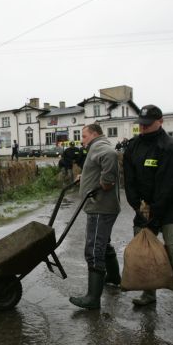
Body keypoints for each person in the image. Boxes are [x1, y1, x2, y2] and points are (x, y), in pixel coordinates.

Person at [123, 104, 173, 325]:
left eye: (148, 125)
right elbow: (129, 180)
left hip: (172, 208)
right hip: (145, 207)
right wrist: (137, 205)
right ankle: (149, 294)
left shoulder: (171, 148)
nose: (143, 128)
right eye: (141, 125)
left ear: (160, 121)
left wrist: (154, 210)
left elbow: (168, 184)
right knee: (144, 254)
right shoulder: (133, 147)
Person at [69, 123, 120, 309]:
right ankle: (114, 277)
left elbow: (111, 156)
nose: (81, 140)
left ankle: (92, 298)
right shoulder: (96, 146)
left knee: (94, 249)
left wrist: (107, 182)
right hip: (102, 206)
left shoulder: (99, 146)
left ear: (94, 134)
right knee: (103, 243)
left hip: (100, 207)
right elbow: (98, 165)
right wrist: (86, 177)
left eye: (84, 136)